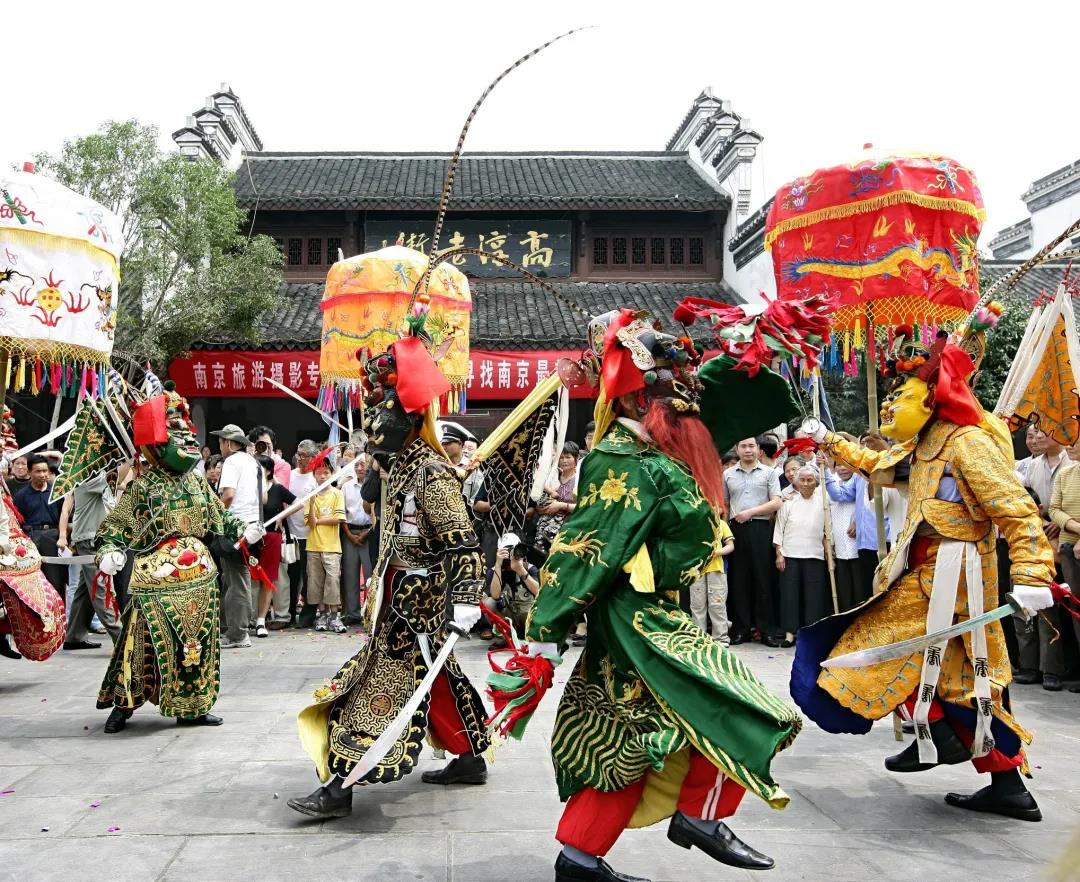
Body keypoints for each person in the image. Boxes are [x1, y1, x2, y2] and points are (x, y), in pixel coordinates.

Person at [513, 309, 799, 882]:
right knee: (738, 707)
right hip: (636, 623)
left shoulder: (660, 451)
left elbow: (716, 411)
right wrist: (545, 633)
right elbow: (585, 548)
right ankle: (697, 817)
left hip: (656, 612)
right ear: (633, 400)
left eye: (685, 389)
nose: (687, 400)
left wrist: (748, 346)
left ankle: (582, 858)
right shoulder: (623, 461)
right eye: (671, 391)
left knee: (633, 737)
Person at [795, 324, 1057, 823]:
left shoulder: (966, 442)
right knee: (961, 683)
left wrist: (1033, 573)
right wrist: (829, 439)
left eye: (902, 392)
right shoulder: (928, 439)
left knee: (865, 650)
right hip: (927, 573)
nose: (891, 403)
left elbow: (1016, 510)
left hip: (954, 575)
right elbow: (879, 465)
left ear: (933, 395)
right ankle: (1004, 783)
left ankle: (935, 736)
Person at [289, 338, 490, 821]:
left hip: (418, 600)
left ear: (409, 420)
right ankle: (469, 755)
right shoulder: (400, 468)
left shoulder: (433, 474)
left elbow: (462, 542)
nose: (373, 426)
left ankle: (341, 784)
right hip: (398, 591)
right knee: (435, 673)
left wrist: (465, 599)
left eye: (381, 414)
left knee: (384, 684)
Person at [95, 387, 263, 732]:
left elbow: (221, 517)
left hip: (199, 577)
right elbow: (117, 525)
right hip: (153, 576)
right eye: (176, 431)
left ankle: (193, 707)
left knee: (195, 642)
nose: (186, 437)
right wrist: (110, 549)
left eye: (188, 432)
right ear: (157, 442)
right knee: (139, 642)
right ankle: (124, 705)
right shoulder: (144, 486)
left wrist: (243, 529)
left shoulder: (197, 482)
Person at [1015, 426, 1068, 691]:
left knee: (1050, 604)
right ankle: (1028, 665)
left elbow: (1064, 504)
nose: (1037, 438)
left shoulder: (1072, 461)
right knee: (1022, 603)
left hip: (1061, 537)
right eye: (1032, 435)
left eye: (1043, 433)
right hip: (1027, 534)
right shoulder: (1029, 466)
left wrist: (1058, 521)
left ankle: (1052, 669)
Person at [723, 437, 783, 646]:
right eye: (743, 446)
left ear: (758, 450)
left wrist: (750, 512)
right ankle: (741, 629)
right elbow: (725, 504)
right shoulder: (728, 474)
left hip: (761, 528)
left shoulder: (769, 473)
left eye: (751, 446)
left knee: (763, 579)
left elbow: (776, 502)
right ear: (737, 450)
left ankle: (766, 630)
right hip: (735, 530)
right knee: (739, 580)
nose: (748, 450)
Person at [58, 469, 125, 647]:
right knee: (100, 588)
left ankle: (74, 636)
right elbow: (120, 477)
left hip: (92, 537)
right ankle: (122, 639)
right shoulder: (90, 478)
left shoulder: (92, 477)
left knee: (85, 591)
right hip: (91, 539)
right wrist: (130, 458)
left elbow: (119, 481)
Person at [212, 423, 261, 649]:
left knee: (237, 580)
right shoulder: (253, 462)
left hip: (235, 525)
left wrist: (214, 514)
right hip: (252, 524)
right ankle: (232, 629)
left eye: (222, 441)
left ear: (230, 443)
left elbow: (229, 494)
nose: (220, 446)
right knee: (232, 579)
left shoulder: (231, 462)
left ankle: (238, 633)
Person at [773, 465, 828, 644]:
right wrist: (779, 553)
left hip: (815, 554)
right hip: (790, 554)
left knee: (814, 596)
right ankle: (789, 633)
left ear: (816, 482)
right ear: (796, 482)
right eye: (802, 480)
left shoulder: (823, 501)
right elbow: (779, 528)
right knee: (789, 595)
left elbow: (828, 529)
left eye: (809, 480)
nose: (805, 483)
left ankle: (810, 634)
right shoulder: (788, 501)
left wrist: (829, 550)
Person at [1047, 437, 1080, 693]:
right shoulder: (1066, 474)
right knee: (1076, 610)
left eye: (1076, 441)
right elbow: (1054, 509)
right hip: (1068, 548)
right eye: (1069, 441)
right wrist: (1077, 529)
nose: (1071, 445)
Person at [252, 454, 297, 637]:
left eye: (259, 468)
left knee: (271, 578)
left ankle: (268, 619)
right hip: (253, 536)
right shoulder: (250, 489)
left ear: (269, 470)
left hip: (272, 536)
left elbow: (299, 502)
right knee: (252, 577)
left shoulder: (278, 489)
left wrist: (282, 516)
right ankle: (253, 618)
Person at [12, 455, 67, 600]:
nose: (43, 475)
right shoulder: (21, 496)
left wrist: (63, 536)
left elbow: (65, 515)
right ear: (29, 472)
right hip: (30, 538)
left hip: (53, 537)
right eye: (38, 471)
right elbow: (16, 521)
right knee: (33, 580)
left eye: (45, 471)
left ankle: (58, 618)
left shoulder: (57, 492)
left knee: (56, 580)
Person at [304, 454, 347, 633]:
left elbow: (339, 518)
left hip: (332, 547)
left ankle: (335, 616)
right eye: (319, 473)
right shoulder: (310, 497)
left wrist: (320, 519)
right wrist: (313, 502)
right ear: (314, 475)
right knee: (316, 583)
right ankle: (322, 614)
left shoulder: (337, 494)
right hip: (313, 546)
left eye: (326, 473)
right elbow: (311, 522)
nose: (322, 476)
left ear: (331, 474)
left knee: (333, 581)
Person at [482, 532, 539, 642]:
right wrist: (498, 565)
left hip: (529, 618)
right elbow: (495, 595)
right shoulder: (495, 570)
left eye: (513, 550)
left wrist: (520, 569)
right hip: (509, 618)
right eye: (506, 551)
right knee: (488, 602)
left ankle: (532, 634)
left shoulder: (530, 568)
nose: (509, 554)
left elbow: (538, 592)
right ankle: (506, 633)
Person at [339, 447, 372, 627]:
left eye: (363, 464)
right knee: (350, 574)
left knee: (369, 575)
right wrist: (349, 534)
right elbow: (341, 513)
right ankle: (352, 613)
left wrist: (367, 533)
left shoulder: (374, 485)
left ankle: (369, 611)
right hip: (349, 532)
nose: (360, 468)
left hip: (368, 532)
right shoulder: (346, 486)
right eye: (357, 465)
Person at [288, 440, 319, 626]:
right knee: (292, 577)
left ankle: (307, 616)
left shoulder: (316, 479)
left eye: (304, 456)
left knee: (309, 577)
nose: (299, 459)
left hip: (310, 536)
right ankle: (289, 613)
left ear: (313, 457)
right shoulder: (290, 475)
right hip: (291, 534)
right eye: (298, 454)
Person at [688, 516, 734, 642]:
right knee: (697, 604)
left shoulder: (722, 524)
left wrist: (717, 552)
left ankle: (721, 638)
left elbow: (731, 546)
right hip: (697, 569)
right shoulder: (694, 524)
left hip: (717, 569)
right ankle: (699, 637)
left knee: (717, 604)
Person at [826, 461, 861, 611]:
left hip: (859, 546)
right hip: (839, 546)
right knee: (843, 592)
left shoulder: (860, 481)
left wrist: (858, 522)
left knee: (861, 590)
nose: (842, 468)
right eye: (838, 465)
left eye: (846, 464)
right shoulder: (827, 484)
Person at [534, 442, 579, 555]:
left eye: (568, 457)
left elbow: (585, 507)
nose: (564, 460)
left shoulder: (580, 480)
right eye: (561, 457)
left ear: (576, 458)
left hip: (570, 532)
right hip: (546, 528)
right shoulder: (553, 477)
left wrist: (561, 505)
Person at [249, 425, 292, 489]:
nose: (264, 447)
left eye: (267, 444)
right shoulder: (248, 462)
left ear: (273, 444)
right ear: (253, 446)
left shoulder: (284, 466)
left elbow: (280, 491)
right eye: (261, 444)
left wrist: (265, 463)